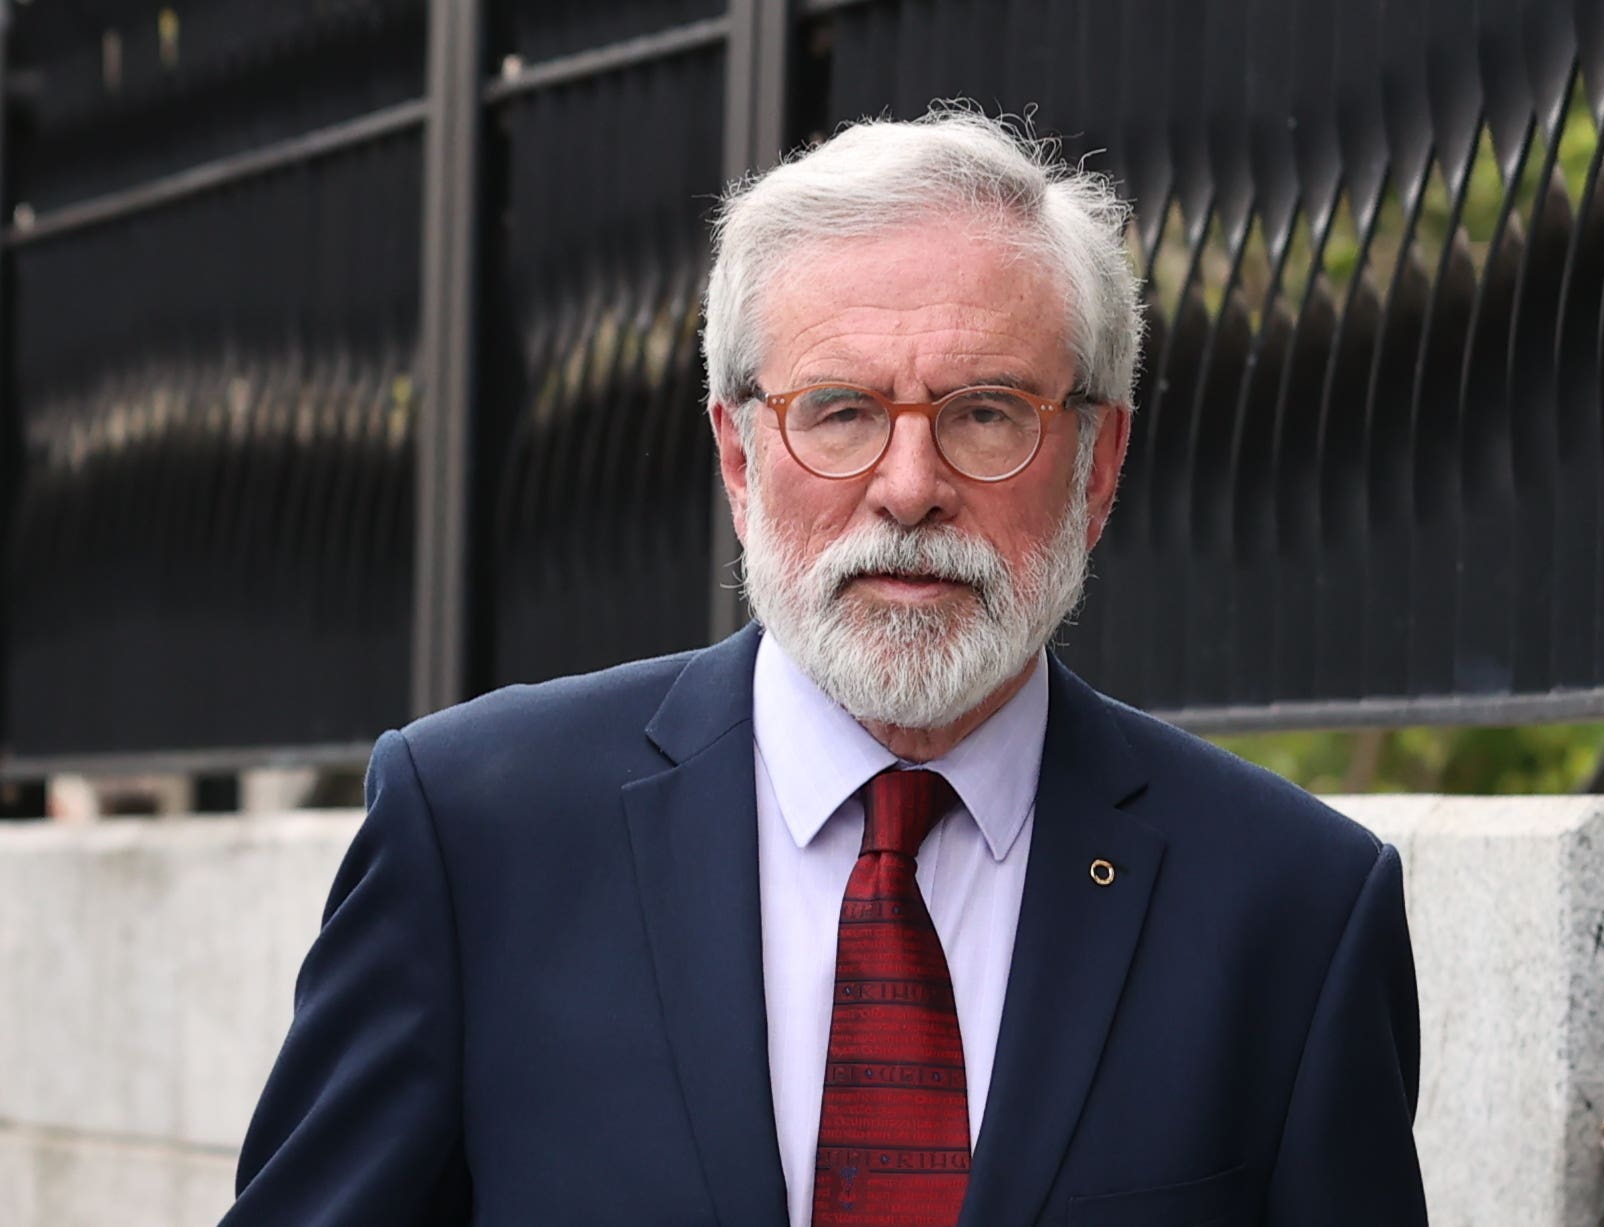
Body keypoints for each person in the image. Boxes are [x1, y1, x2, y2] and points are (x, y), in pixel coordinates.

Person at [224, 106, 1427, 1227]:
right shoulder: (478, 834)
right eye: (841, 410)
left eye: (987, 413)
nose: (909, 488)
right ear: (740, 458)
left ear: (1098, 461)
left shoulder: (1293, 910)